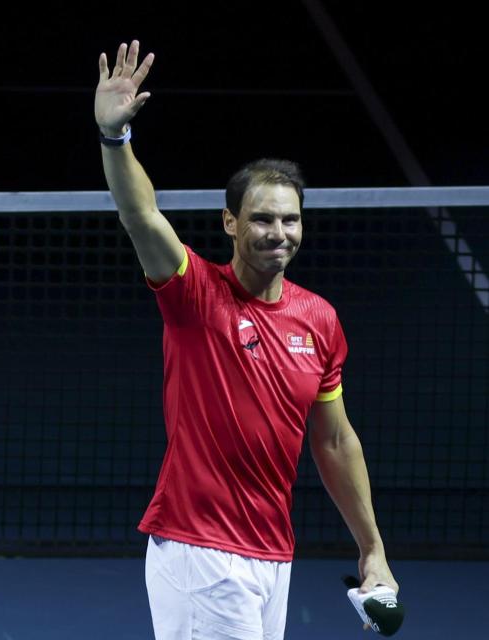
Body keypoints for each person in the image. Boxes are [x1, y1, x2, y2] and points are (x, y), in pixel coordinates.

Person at [94, 40, 399, 640]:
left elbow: (334, 441)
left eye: (289, 219)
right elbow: (141, 215)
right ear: (231, 222)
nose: (277, 233)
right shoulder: (194, 294)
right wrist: (114, 138)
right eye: (261, 218)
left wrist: (373, 549)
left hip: (270, 553)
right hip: (199, 548)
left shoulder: (319, 319)